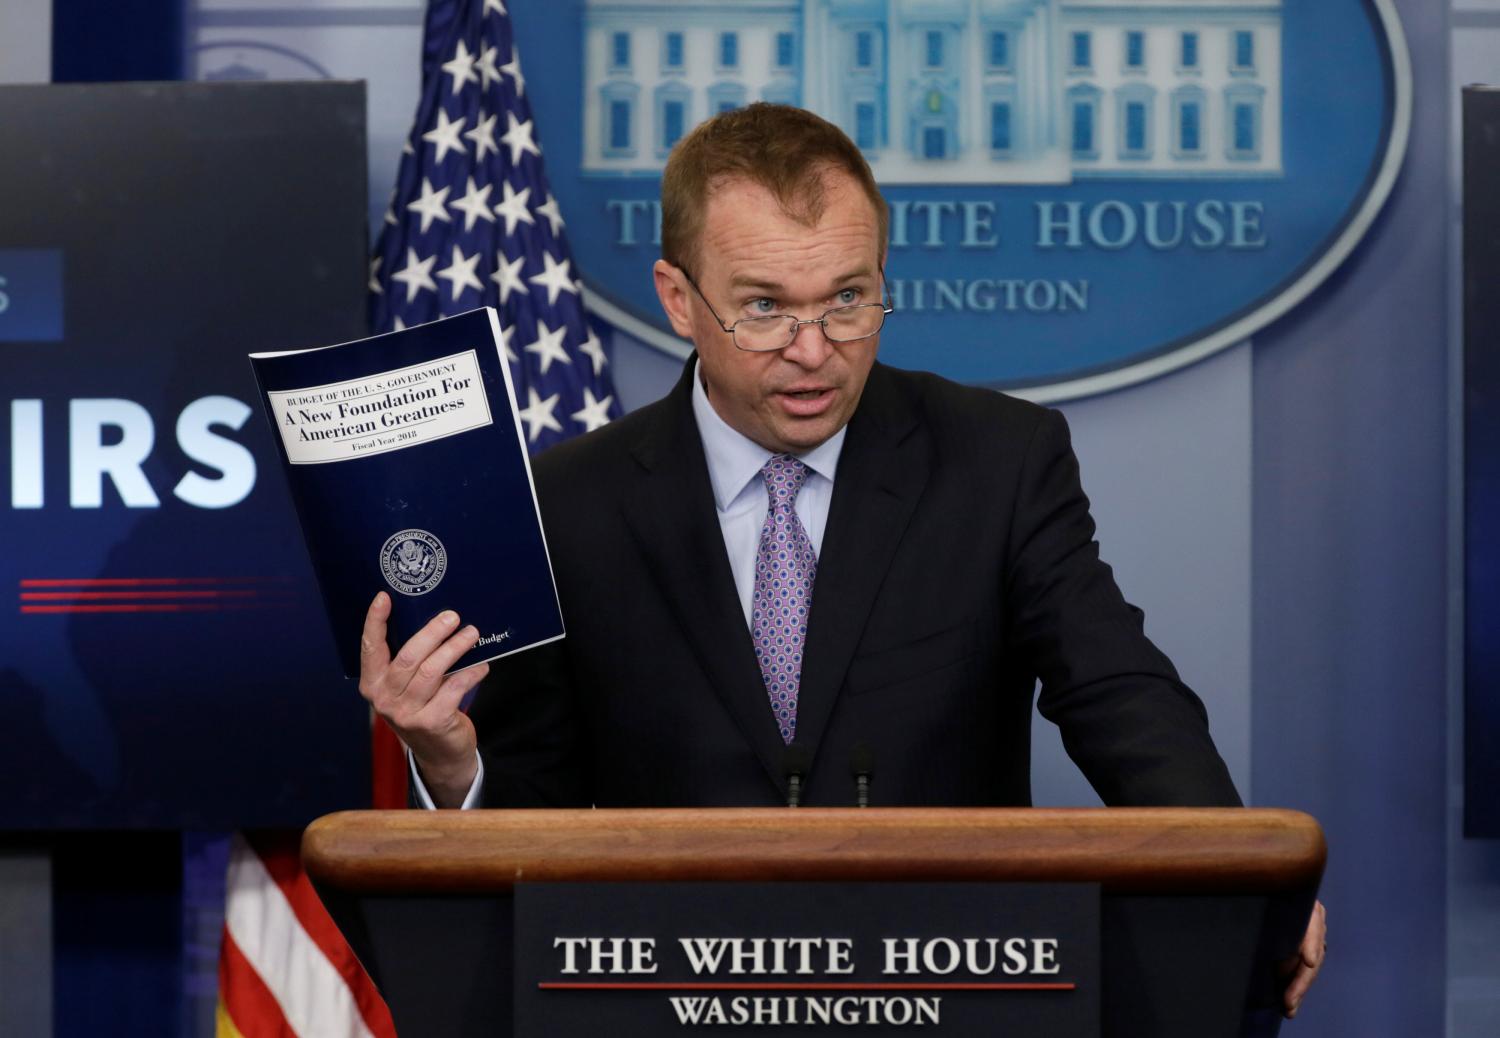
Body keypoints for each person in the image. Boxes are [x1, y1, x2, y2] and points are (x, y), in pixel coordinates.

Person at [356, 103, 1325, 1017]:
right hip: (670, 1005)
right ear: (679, 300)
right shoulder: (572, 502)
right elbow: (540, 807)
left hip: (947, 996)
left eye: (849, 300)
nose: (815, 351)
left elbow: (1119, 692)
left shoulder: (998, 461)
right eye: (767, 307)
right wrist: (452, 761)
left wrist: (1236, 877)